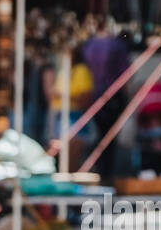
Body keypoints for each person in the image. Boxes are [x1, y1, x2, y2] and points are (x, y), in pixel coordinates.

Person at [80, 21, 131, 176]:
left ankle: (100, 169)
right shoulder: (117, 45)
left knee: (99, 134)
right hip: (112, 97)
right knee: (109, 138)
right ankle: (106, 172)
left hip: (93, 95)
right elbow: (125, 76)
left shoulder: (88, 45)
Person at [45, 44, 97, 171]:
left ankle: (70, 175)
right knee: (60, 148)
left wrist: (63, 95)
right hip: (58, 115)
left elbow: (85, 99)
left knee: (72, 147)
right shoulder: (64, 71)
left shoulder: (81, 71)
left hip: (73, 115)